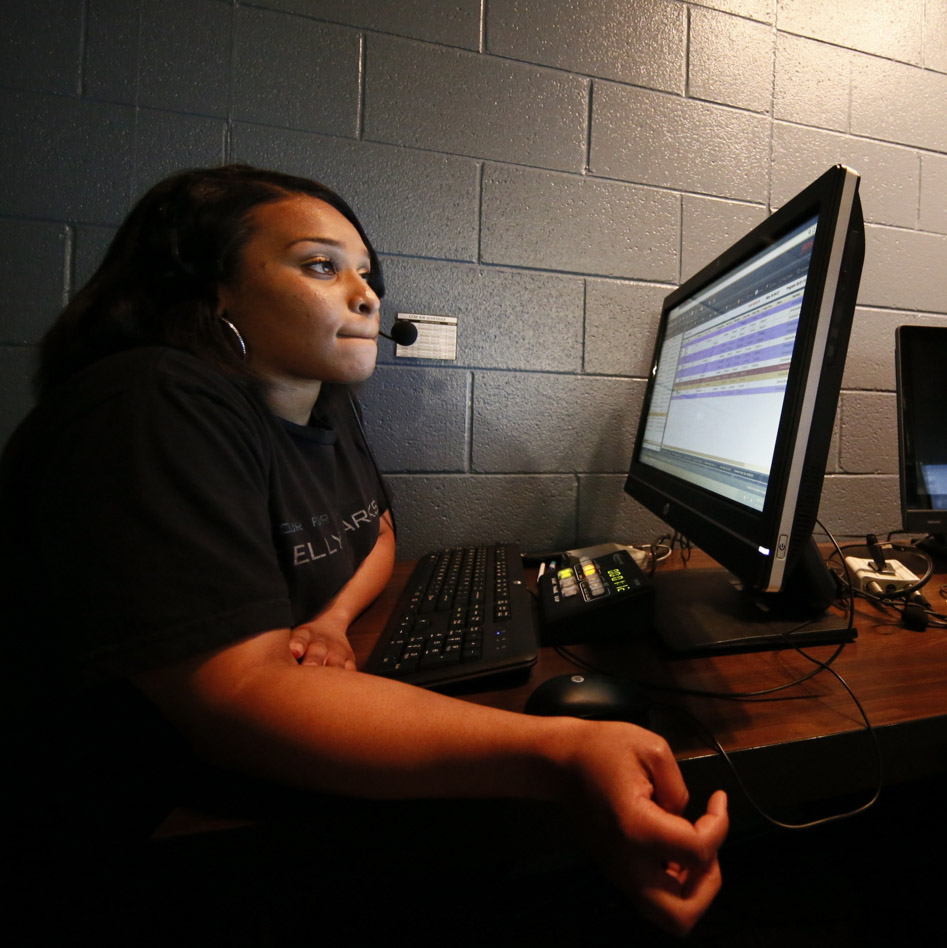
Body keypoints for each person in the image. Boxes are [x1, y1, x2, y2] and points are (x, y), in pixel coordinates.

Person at [0, 165, 727, 938]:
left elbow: (375, 531)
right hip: (115, 847)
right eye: (321, 266)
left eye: (366, 273)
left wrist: (333, 619)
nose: (365, 295)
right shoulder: (150, 402)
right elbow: (237, 696)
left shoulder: (318, 407)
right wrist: (561, 752)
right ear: (211, 290)